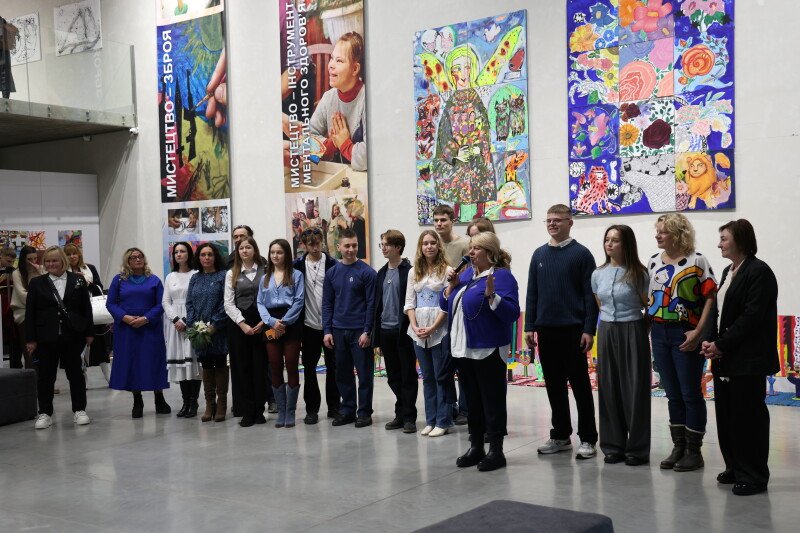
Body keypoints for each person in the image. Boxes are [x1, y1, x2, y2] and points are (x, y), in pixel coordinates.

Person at [701, 220, 778, 496]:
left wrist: (721, 344)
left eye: (724, 239)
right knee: (728, 416)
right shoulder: (728, 271)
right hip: (726, 357)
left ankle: (754, 475)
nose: (719, 244)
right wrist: (711, 341)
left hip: (748, 360)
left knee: (748, 418)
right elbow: (720, 313)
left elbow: (751, 317)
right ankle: (735, 466)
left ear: (741, 240)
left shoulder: (759, 272)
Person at [525, 204, 599, 460]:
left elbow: (590, 297)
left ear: (570, 222)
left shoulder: (582, 255)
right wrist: (529, 325)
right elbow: (532, 293)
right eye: (549, 220)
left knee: (580, 386)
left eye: (558, 220)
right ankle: (560, 435)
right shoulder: (539, 254)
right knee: (554, 387)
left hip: (573, 331)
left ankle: (588, 438)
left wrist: (589, 329)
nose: (552, 224)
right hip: (546, 331)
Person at [441, 232, 520, 471]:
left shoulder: (502, 277)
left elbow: (512, 313)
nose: (470, 253)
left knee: (492, 402)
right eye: (470, 248)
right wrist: (450, 287)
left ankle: (496, 451)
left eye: (476, 248)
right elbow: (446, 305)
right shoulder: (466, 275)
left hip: (488, 349)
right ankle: (476, 447)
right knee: (473, 402)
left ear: (490, 252)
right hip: (463, 349)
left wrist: (492, 296)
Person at [648, 213, 717, 472]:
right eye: (657, 231)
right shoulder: (653, 261)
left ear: (678, 234)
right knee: (672, 393)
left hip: (685, 332)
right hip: (659, 332)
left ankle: (693, 451)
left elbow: (710, 297)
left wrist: (699, 332)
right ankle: (678, 446)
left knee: (690, 393)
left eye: (663, 231)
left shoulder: (697, 260)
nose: (657, 235)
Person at [591, 225, 651, 466]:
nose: (609, 244)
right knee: (608, 388)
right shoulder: (598, 274)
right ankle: (613, 446)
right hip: (606, 331)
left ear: (626, 244)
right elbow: (600, 304)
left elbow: (649, 307)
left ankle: (637, 449)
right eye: (607, 239)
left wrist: (639, 331)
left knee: (634, 390)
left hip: (633, 329)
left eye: (615, 240)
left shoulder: (639, 273)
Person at [25, 246, 94, 429]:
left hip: (73, 336)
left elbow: (86, 308)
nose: (51, 264)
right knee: (45, 377)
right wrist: (31, 339)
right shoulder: (37, 283)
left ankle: (79, 410)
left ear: (62, 260)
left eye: (54, 260)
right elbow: (30, 312)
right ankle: (45, 413)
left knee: (76, 374)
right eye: (47, 261)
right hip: (45, 337)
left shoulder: (78, 280)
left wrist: (89, 333)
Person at [322, 228, 377, 428]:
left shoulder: (367, 273)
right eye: (347, 246)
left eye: (354, 245)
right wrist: (327, 330)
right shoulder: (332, 273)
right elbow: (327, 304)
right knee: (342, 374)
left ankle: (364, 413)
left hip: (359, 331)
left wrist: (367, 331)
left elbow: (371, 305)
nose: (351, 249)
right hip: (338, 331)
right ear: (339, 247)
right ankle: (347, 410)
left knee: (364, 374)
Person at [107, 248, 171, 418]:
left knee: (154, 361)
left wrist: (146, 318)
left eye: (140, 256)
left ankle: (159, 398)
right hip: (126, 329)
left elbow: (161, 304)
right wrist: (125, 317)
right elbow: (111, 303)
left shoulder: (154, 280)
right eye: (133, 257)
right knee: (132, 362)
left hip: (150, 327)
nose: (137, 259)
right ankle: (137, 400)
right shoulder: (119, 280)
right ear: (127, 261)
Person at [405, 230, 453, 437]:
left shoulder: (447, 271)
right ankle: (431, 419)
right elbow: (409, 303)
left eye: (433, 242)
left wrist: (433, 328)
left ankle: (443, 420)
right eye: (425, 243)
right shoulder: (413, 271)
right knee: (427, 377)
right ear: (420, 247)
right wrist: (415, 327)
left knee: (441, 376)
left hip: (439, 330)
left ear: (438, 246)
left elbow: (446, 304)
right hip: (418, 331)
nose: (429, 246)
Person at [225, 224, 275, 416]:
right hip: (239, 324)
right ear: (237, 251)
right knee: (242, 367)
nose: (244, 250)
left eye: (248, 247)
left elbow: (271, 298)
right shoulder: (232, 273)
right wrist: (242, 324)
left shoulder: (266, 270)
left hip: (262, 322)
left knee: (260, 367)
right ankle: (246, 410)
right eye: (241, 248)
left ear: (255, 250)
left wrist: (264, 321)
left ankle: (259, 409)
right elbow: (228, 303)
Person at [293, 228, 340, 424]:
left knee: (333, 367)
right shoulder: (297, 266)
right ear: (304, 245)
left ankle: (334, 407)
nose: (314, 247)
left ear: (322, 242)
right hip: (308, 324)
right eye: (310, 244)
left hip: (330, 325)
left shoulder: (333, 264)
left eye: (317, 243)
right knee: (309, 368)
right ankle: (311, 409)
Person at [373, 230, 418, 433]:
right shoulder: (381, 273)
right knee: (393, 376)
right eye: (381, 244)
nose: (383, 248)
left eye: (386, 244)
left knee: (408, 375)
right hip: (385, 330)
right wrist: (375, 336)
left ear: (398, 247)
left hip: (403, 331)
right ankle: (400, 413)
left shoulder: (409, 271)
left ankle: (409, 417)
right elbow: (377, 305)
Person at [257, 239, 305, 428]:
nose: (275, 256)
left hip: (290, 323)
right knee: (275, 365)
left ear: (286, 254)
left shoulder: (296, 275)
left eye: (279, 252)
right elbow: (260, 303)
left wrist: (283, 322)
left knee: (292, 365)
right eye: (272, 252)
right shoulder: (265, 277)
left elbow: (299, 301)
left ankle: (291, 411)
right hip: (271, 323)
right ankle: (282, 411)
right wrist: (271, 322)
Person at [307, 32, 368, 171]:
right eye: (332, 58)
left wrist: (345, 144)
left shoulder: (367, 100)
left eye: (339, 61)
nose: (331, 65)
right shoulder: (328, 98)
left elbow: (368, 157)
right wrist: (333, 143)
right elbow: (306, 144)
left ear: (355, 69)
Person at [432, 204, 469, 425]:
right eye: (436, 220)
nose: (439, 224)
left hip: (458, 306)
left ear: (452, 221)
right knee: (443, 365)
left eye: (443, 220)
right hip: (437, 307)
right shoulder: (432, 245)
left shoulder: (463, 244)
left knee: (461, 361)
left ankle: (465, 408)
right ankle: (449, 405)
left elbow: (469, 275)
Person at [186, 243, 229, 422]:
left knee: (219, 363)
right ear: (198, 258)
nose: (206, 258)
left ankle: (222, 404)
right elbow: (189, 303)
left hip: (218, 330)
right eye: (203, 255)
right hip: (199, 331)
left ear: (215, 256)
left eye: (210, 254)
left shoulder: (223, 276)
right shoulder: (195, 278)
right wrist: (194, 326)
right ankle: (209, 404)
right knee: (206, 364)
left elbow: (226, 302)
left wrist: (214, 325)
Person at [162, 242, 200, 418]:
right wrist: (176, 319)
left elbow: (197, 300)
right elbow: (165, 301)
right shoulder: (170, 276)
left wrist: (186, 320)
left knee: (193, 363)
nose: (179, 254)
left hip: (192, 322)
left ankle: (193, 401)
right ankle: (185, 401)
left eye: (182, 251)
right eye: (176, 252)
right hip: (175, 325)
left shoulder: (196, 274)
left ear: (189, 254)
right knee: (181, 365)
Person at [64, 243, 110, 383]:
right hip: (75, 314)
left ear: (79, 255)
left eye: (74, 253)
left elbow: (99, 289)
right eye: (68, 254)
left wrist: (87, 283)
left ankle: (109, 376)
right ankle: (82, 377)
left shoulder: (90, 268)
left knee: (100, 345)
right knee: (78, 346)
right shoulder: (63, 272)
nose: (72, 256)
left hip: (93, 312)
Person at [10, 245, 44, 369]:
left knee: (44, 351)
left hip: (40, 313)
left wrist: (40, 272)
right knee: (29, 351)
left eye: (35, 258)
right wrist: (41, 297)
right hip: (23, 313)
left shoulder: (40, 270)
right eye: (29, 259)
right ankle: (32, 379)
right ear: (23, 259)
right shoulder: (17, 273)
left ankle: (43, 379)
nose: (33, 262)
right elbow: (23, 296)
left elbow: (50, 289)